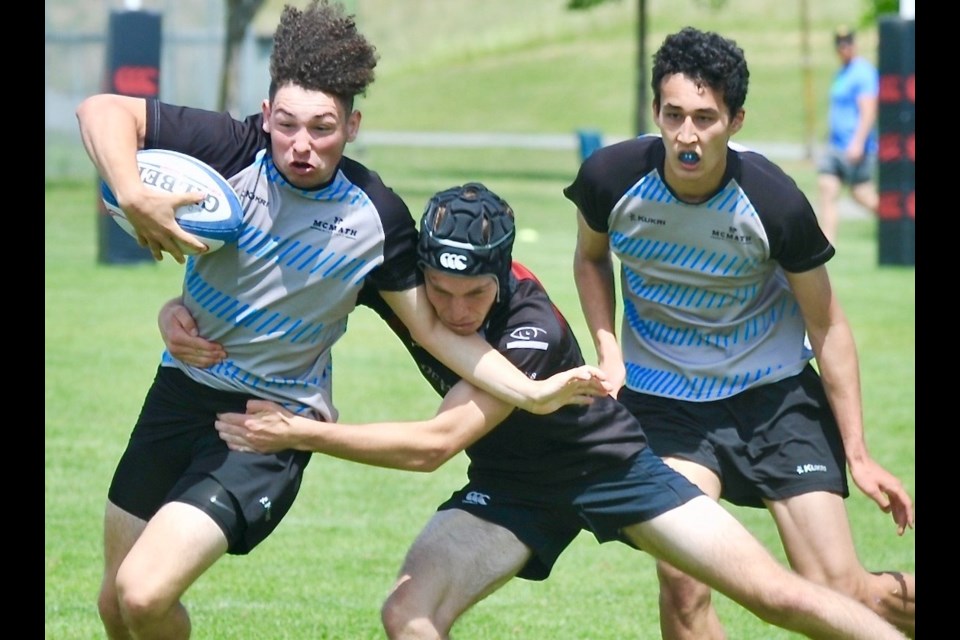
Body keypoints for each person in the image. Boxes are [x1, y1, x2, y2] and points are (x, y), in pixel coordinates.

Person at [75, 3, 606, 639]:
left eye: (323, 128)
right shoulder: (230, 148)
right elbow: (101, 111)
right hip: (178, 391)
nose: (301, 145)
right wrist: (133, 195)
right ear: (267, 114)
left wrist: (533, 391)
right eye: (288, 124)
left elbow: (433, 331)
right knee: (115, 603)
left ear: (352, 125)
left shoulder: (375, 219)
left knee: (142, 591)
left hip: (268, 420)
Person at [202, 182, 908, 640]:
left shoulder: (530, 329)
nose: (452, 312)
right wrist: (184, 311)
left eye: (472, 296)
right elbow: (299, 280)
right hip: (513, 488)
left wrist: (300, 432)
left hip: (610, 468)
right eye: (439, 293)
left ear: (504, 273)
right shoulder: (414, 287)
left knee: (776, 596)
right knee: (407, 614)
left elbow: (435, 444)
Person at [563, 26, 914, 639]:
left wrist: (857, 453)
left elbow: (827, 325)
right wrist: (610, 351)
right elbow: (591, 258)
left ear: (736, 119)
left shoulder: (773, 203)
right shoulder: (610, 178)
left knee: (839, 590)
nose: (687, 135)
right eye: (673, 115)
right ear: (656, 112)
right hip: (666, 403)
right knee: (682, 578)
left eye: (706, 117)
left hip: (774, 400)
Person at [816, 25, 880, 244]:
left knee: (861, 194)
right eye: (840, 45)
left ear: (855, 45)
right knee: (827, 189)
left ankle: (898, 222)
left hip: (855, 146)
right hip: (835, 146)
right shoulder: (840, 73)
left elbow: (868, 110)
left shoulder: (864, 73)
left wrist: (858, 142)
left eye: (848, 44)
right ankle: (827, 245)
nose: (844, 49)